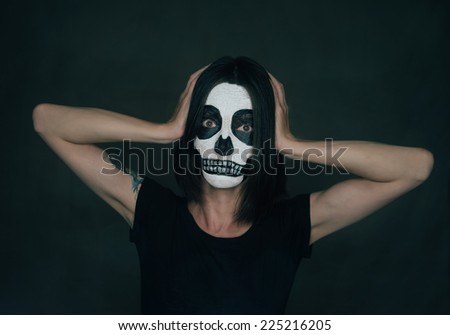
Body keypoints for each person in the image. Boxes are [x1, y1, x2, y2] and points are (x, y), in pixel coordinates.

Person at [33, 56, 434, 314]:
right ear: (193, 132)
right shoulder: (151, 210)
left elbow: (414, 166)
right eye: (209, 122)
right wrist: (166, 129)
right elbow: (47, 120)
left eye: (245, 126)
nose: (224, 143)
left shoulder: (293, 224)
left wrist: (289, 144)